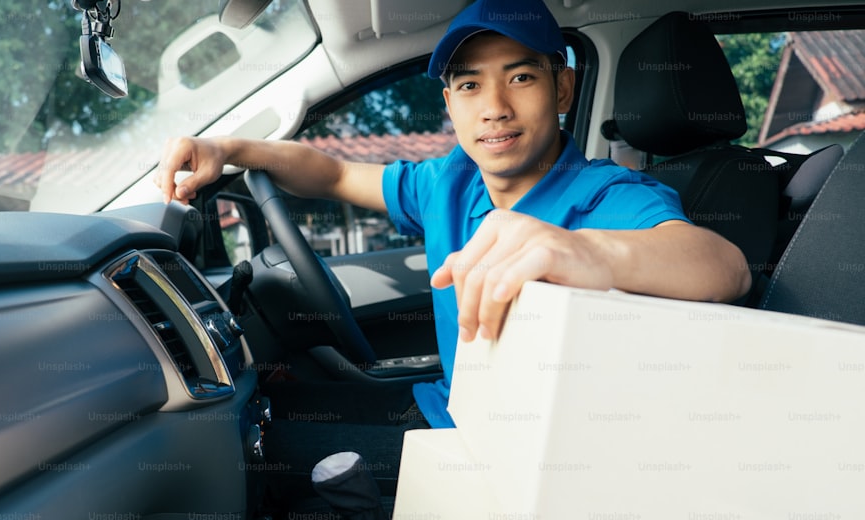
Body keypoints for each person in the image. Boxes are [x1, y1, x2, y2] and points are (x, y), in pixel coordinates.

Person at [155, 0, 751, 431]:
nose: (494, 107)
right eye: (469, 86)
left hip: (507, 443)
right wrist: (230, 149)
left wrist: (586, 251)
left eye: (521, 77)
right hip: (445, 404)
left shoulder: (605, 194)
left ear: (563, 89)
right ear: (449, 103)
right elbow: (333, 173)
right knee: (272, 421)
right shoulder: (451, 181)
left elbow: (723, 268)